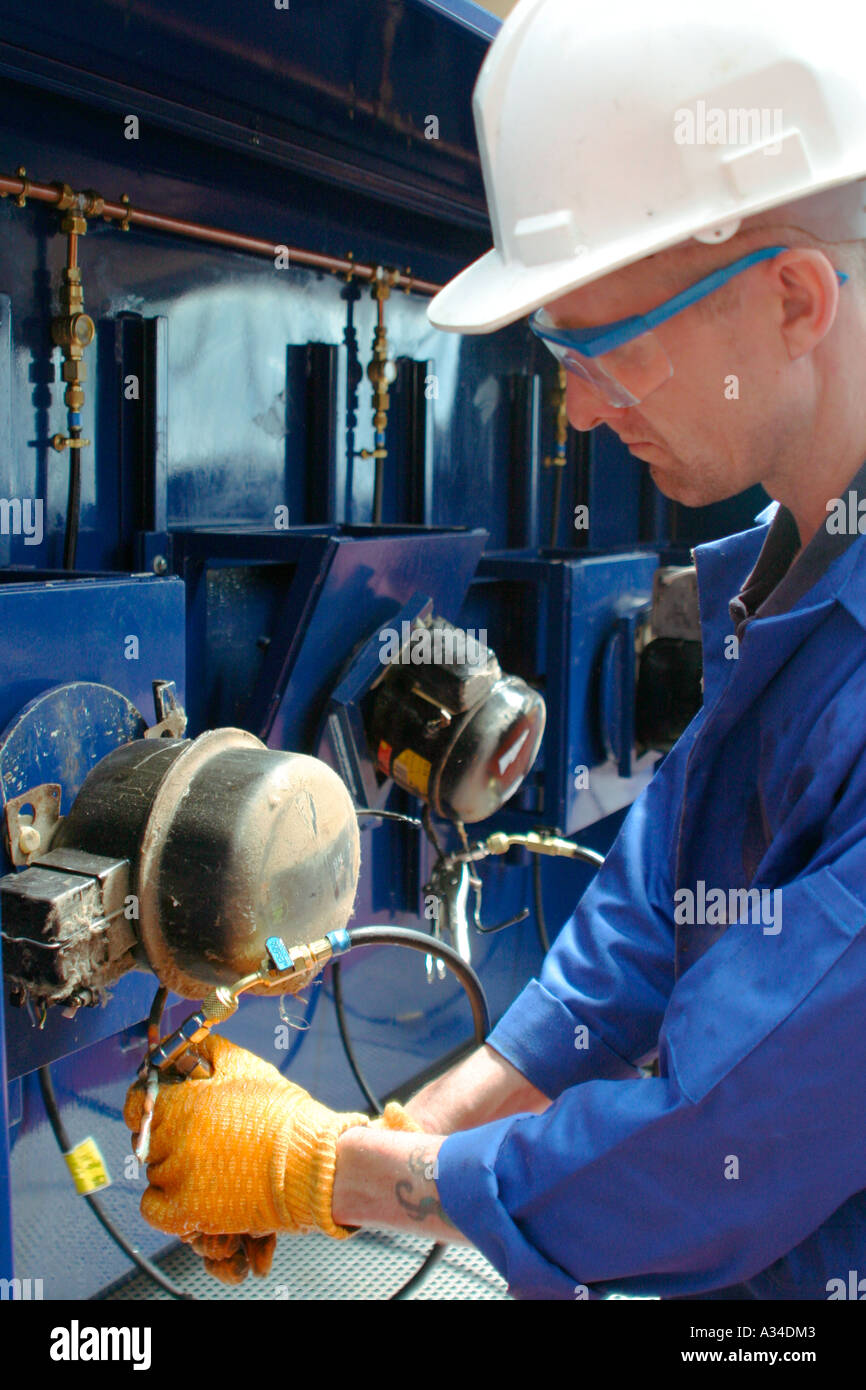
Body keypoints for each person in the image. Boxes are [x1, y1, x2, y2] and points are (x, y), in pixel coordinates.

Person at [126, 0, 866, 1298]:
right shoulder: (796, 566)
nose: (574, 404)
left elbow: (716, 1150)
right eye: (555, 347)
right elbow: (668, 885)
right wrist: (433, 1123)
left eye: (595, 342)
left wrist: (327, 1170)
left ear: (792, 296)